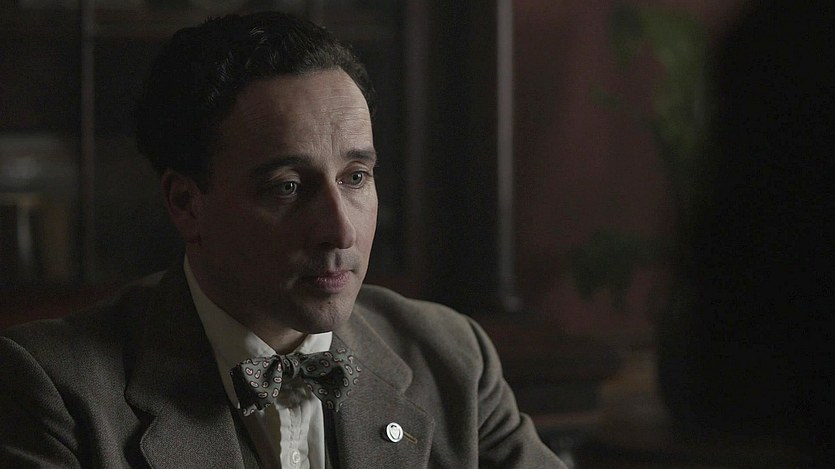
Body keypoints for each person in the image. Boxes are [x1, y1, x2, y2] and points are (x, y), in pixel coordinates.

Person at [0, 12, 564, 468]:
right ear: (186, 204)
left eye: (356, 177)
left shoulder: (452, 358)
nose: (340, 230)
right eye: (288, 187)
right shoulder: (52, 387)